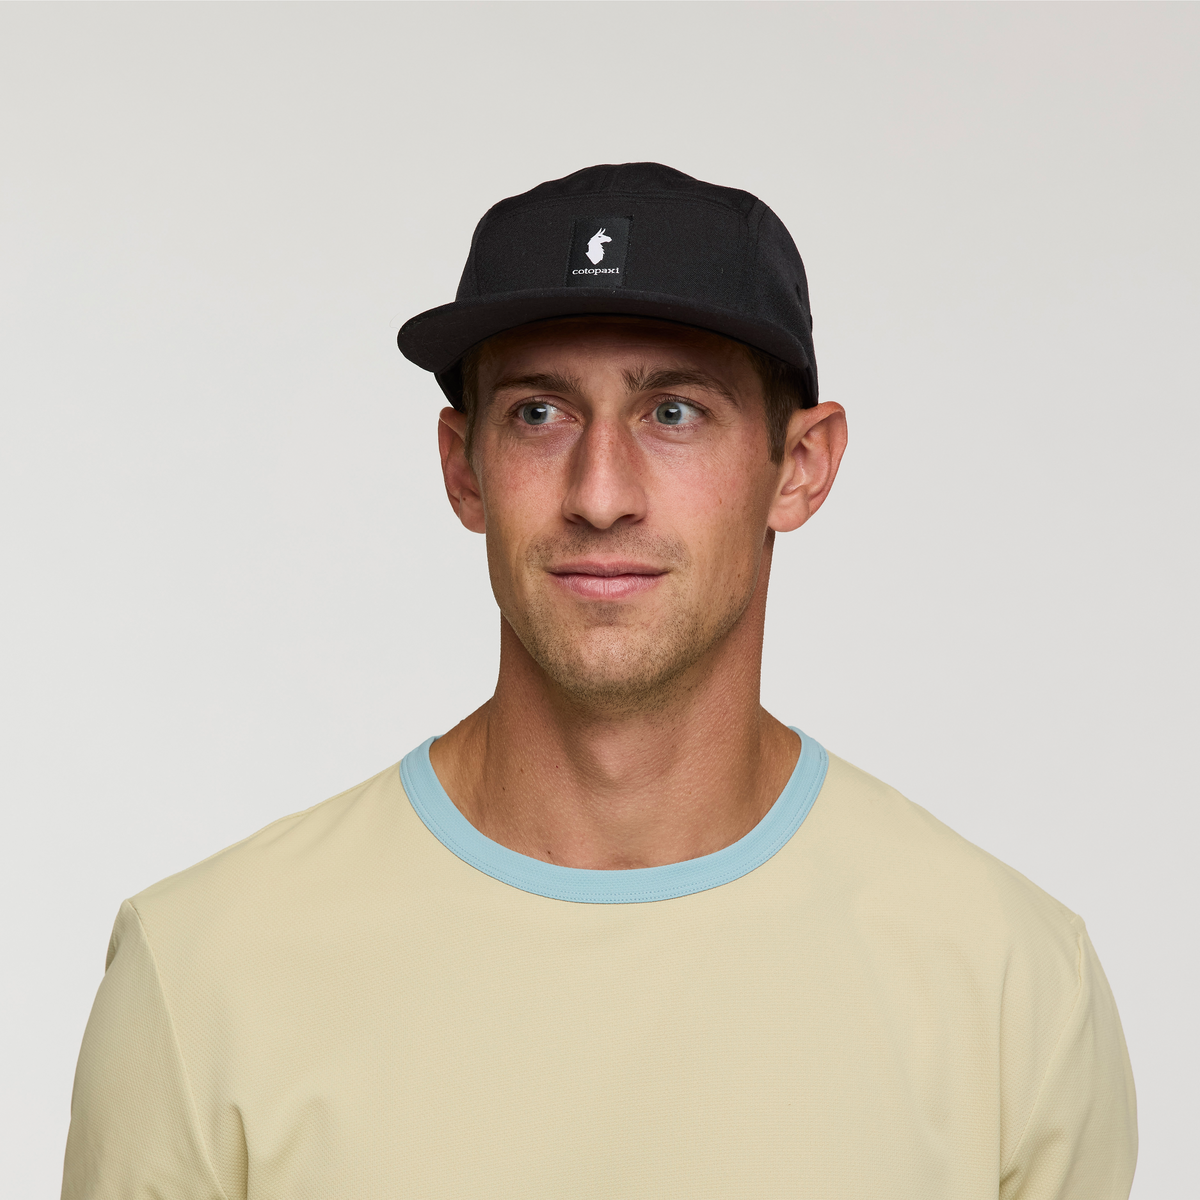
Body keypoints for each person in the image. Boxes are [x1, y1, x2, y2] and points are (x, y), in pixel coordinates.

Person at [61, 163, 1137, 1200]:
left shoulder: (1010, 987)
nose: (601, 492)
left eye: (676, 412)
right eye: (540, 413)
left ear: (800, 467)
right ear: (462, 466)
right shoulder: (205, 974)